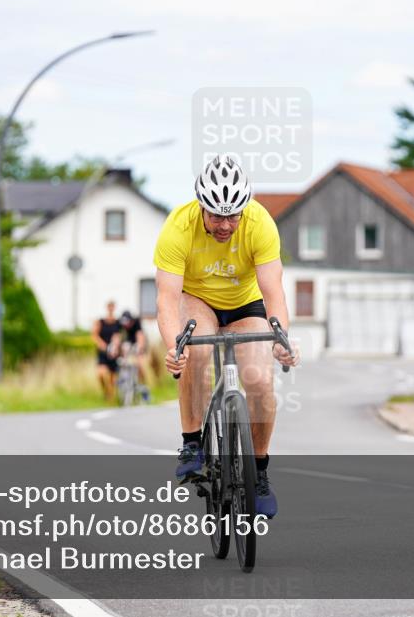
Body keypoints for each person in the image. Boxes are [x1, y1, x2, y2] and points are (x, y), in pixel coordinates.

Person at [153, 154, 300, 518]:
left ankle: (260, 473)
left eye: (233, 215)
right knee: (196, 351)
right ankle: (192, 445)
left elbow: (273, 292)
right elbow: (167, 300)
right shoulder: (178, 227)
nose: (225, 224)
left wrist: (281, 338)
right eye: (217, 215)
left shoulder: (260, 223)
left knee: (261, 382)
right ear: (200, 206)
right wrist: (174, 347)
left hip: (245, 303)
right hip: (197, 299)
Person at [91, 301, 121, 402]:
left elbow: (118, 336)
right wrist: (102, 345)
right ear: (107, 308)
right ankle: (105, 391)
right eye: (109, 307)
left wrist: (115, 345)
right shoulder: (101, 322)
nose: (111, 309)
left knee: (113, 378)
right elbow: (94, 335)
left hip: (113, 353)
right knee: (101, 374)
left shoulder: (117, 322)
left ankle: (110, 397)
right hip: (103, 352)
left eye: (112, 307)